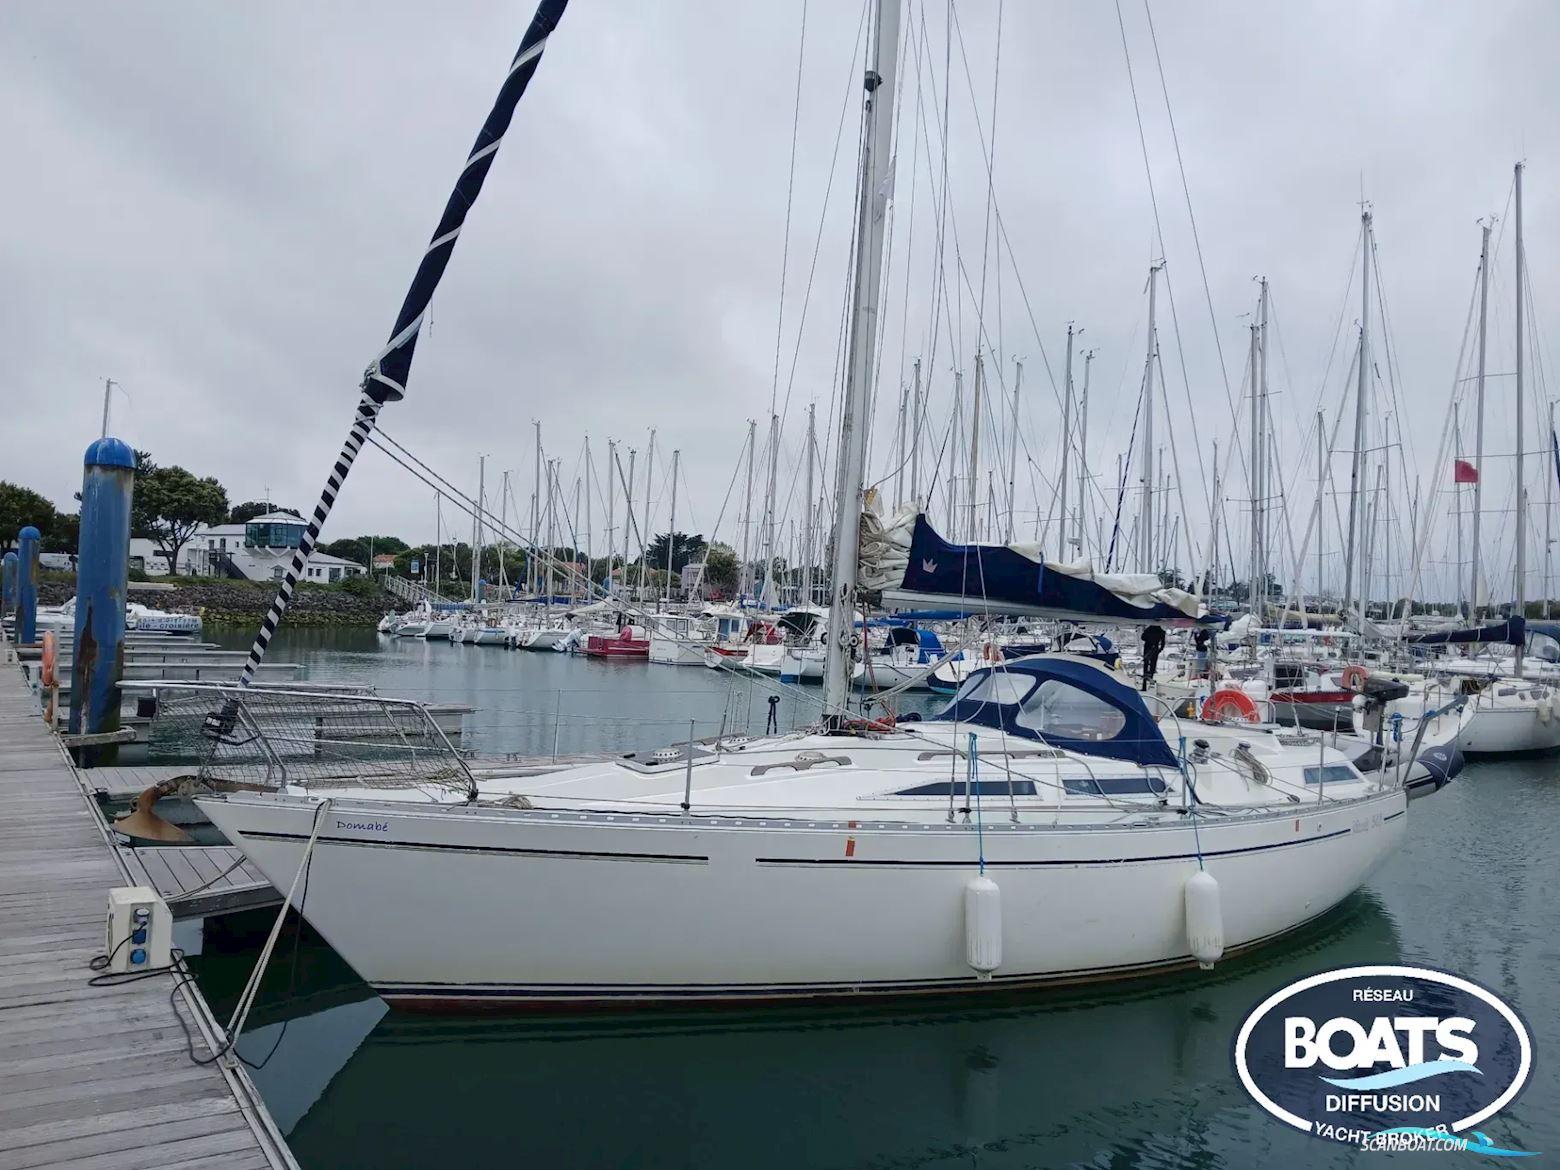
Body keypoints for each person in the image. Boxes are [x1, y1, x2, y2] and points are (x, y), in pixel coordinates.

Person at [1141, 624, 1166, 690]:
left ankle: (1144, 686)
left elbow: (1142, 638)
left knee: (1146, 666)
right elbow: (1163, 644)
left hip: (1147, 648)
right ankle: (1151, 683)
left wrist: (1147, 637)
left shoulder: (1148, 630)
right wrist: (1159, 650)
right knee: (1153, 666)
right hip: (1155, 649)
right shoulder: (1161, 631)